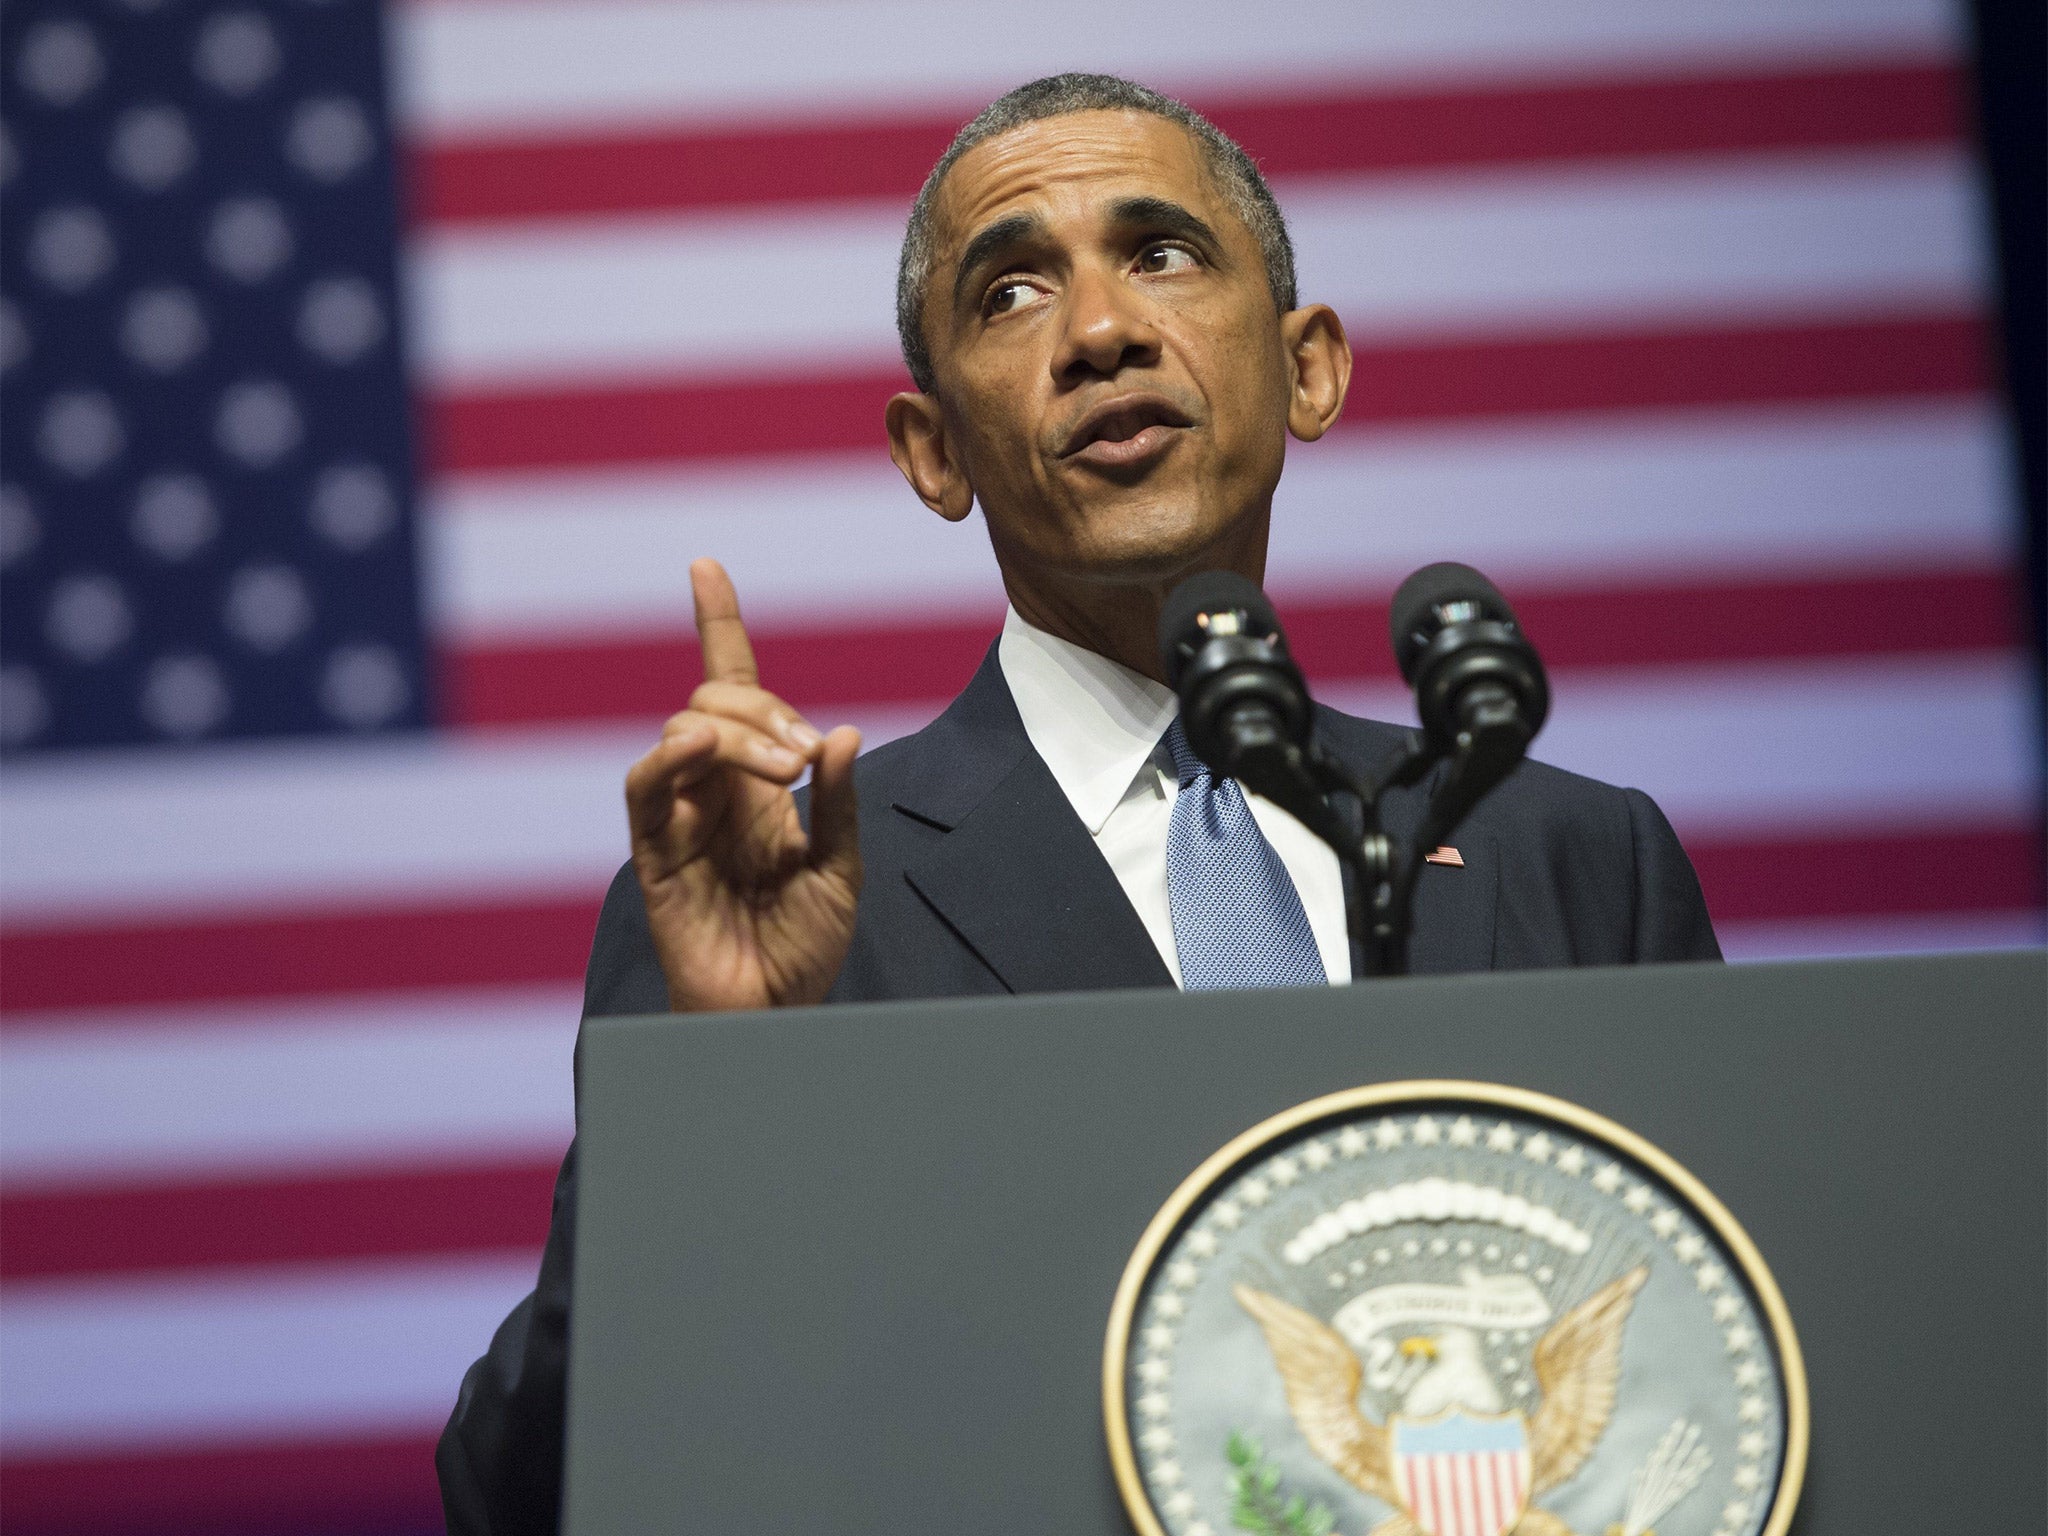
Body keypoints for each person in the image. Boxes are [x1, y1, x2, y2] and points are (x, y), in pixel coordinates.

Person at [436, 73, 1719, 1533]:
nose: (1101, 332)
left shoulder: (1569, 855)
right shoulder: (796, 904)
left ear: (1310, 369)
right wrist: (719, 1107)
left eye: (1162, 254)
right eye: (1011, 293)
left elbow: (1732, 1371)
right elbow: (518, 1500)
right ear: (933, 454)